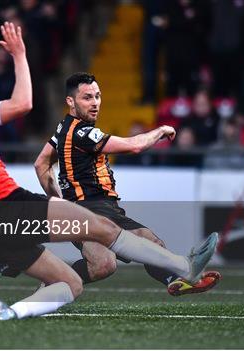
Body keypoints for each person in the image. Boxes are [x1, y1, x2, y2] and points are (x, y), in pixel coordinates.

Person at [0, 22, 218, 321]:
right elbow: (23, 104)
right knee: (107, 230)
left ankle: (11, 312)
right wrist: (20, 54)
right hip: (7, 204)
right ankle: (184, 267)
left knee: (71, 284)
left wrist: (55, 201)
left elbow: (36, 162)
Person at [35, 72, 221, 297]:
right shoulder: (81, 132)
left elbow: (41, 163)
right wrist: (161, 130)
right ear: (70, 102)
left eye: (97, 96)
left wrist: (58, 202)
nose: (95, 103)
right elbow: (133, 146)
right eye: (87, 98)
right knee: (121, 255)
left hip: (99, 208)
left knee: (132, 251)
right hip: (88, 209)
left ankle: (177, 280)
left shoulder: (64, 127)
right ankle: (54, 281)